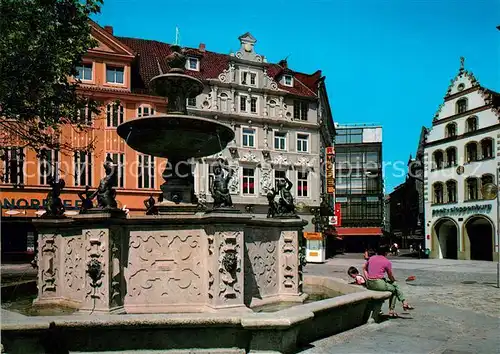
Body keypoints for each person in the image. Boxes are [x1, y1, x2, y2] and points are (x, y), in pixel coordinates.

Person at [363, 245, 414, 317]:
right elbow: (390, 276)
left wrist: (367, 277)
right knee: (394, 289)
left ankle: (404, 303)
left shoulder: (371, 258)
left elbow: (364, 268)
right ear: (386, 253)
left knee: (394, 285)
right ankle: (392, 310)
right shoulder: (387, 262)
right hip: (379, 283)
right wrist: (394, 280)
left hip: (369, 283)